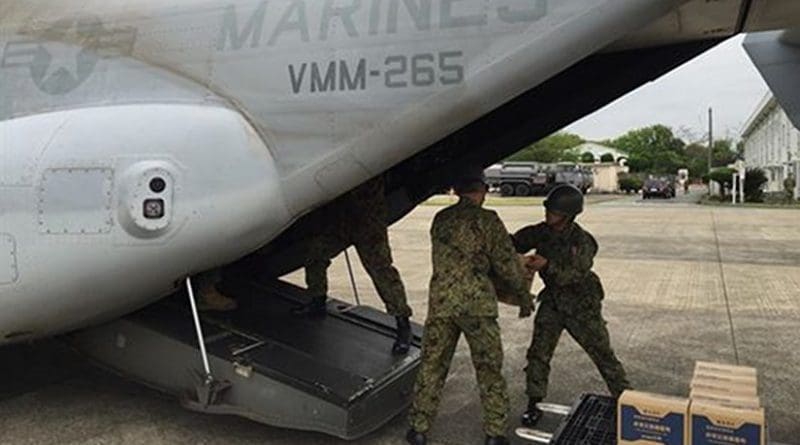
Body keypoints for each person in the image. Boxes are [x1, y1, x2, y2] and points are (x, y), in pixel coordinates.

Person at [406, 169, 533, 445]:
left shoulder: (441, 218)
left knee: (432, 365)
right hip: (477, 306)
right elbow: (505, 264)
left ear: (457, 190)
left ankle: (418, 429)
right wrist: (524, 295)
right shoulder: (488, 220)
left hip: (442, 304)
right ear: (482, 190)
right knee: (489, 369)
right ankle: (494, 433)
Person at [512, 184, 630, 426]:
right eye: (548, 209)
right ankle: (534, 403)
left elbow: (574, 275)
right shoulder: (540, 232)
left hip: (581, 304)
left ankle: (625, 400)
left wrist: (546, 266)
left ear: (568, 215)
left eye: (553, 211)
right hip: (553, 302)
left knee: (602, 354)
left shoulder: (583, 241)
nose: (548, 214)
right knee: (538, 354)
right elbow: (512, 243)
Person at [293, 175, 414, 354]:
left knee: (382, 272)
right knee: (315, 255)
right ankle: (317, 300)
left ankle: (403, 323)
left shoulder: (372, 163)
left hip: (368, 224)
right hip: (340, 222)